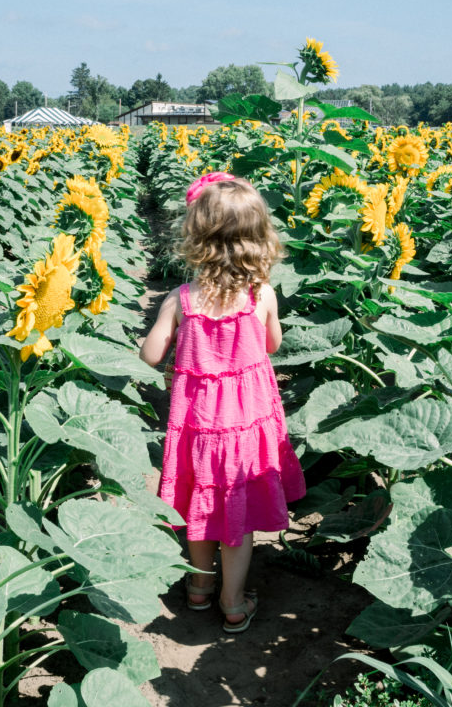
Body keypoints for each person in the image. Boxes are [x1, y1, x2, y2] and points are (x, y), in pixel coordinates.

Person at [139, 171, 306, 633]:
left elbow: (150, 355)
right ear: (258, 237)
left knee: (201, 505)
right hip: (248, 426)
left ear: (195, 236)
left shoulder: (181, 299)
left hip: (196, 425)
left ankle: (198, 589)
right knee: (238, 514)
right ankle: (233, 602)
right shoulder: (262, 295)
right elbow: (272, 346)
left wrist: (169, 334)